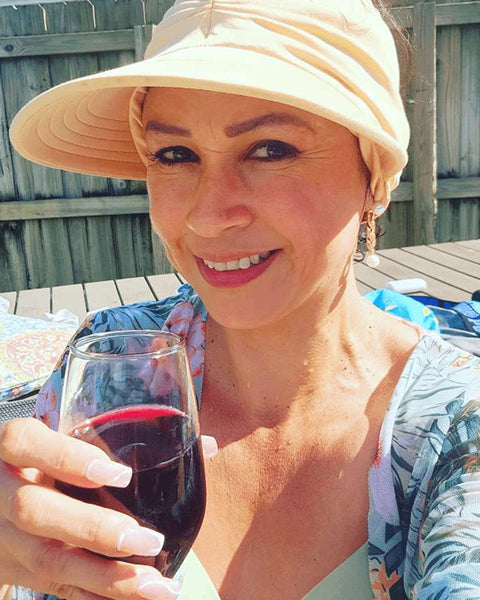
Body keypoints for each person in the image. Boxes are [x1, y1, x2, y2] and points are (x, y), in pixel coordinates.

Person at [2, 1, 480, 599]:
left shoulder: (457, 426)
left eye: (270, 149)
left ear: (373, 177)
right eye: (175, 155)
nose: (208, 216)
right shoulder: (114, 362)